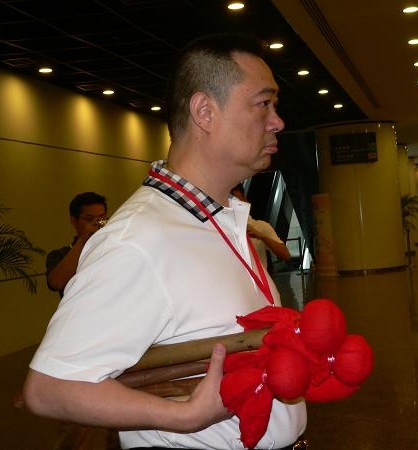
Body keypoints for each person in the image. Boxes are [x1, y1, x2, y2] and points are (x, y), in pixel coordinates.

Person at [23, 33, 307, 450]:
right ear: (205, 112)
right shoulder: (138, 239)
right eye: (264, 103)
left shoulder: (220, 220)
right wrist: (183, 417)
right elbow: (48, 388)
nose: (277, 121)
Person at [46, 191, 108, 297]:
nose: (97, 223)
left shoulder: (112, 246)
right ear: (74, 221)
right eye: (89, 219)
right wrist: (83, 240)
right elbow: (56, 283)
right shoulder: (59, 255)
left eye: (102, 218)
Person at [231, 183, 291, 271]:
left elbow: (286, 255)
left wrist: (262, 236)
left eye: (237, 201)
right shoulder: (221, 230)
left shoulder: (261, 227)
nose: (234, 206)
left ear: (246, 201)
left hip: (257, 279)